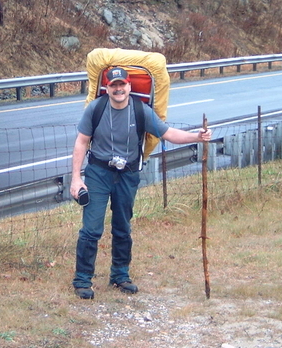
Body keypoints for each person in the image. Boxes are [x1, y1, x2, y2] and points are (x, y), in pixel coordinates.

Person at [69, 66, 213, 299]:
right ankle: (82, 280)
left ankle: (120, 275)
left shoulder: (140, 110)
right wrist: (76, 179)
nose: (118, 89)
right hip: (98, 173)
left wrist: (196, 137)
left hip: (127, 175)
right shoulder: (96, 109)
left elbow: (168, 133)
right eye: (113, 85)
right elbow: (81, 142)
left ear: (129, 86)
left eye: (122, 85)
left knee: (123, 227)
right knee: (91, 228)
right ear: (107, 88)